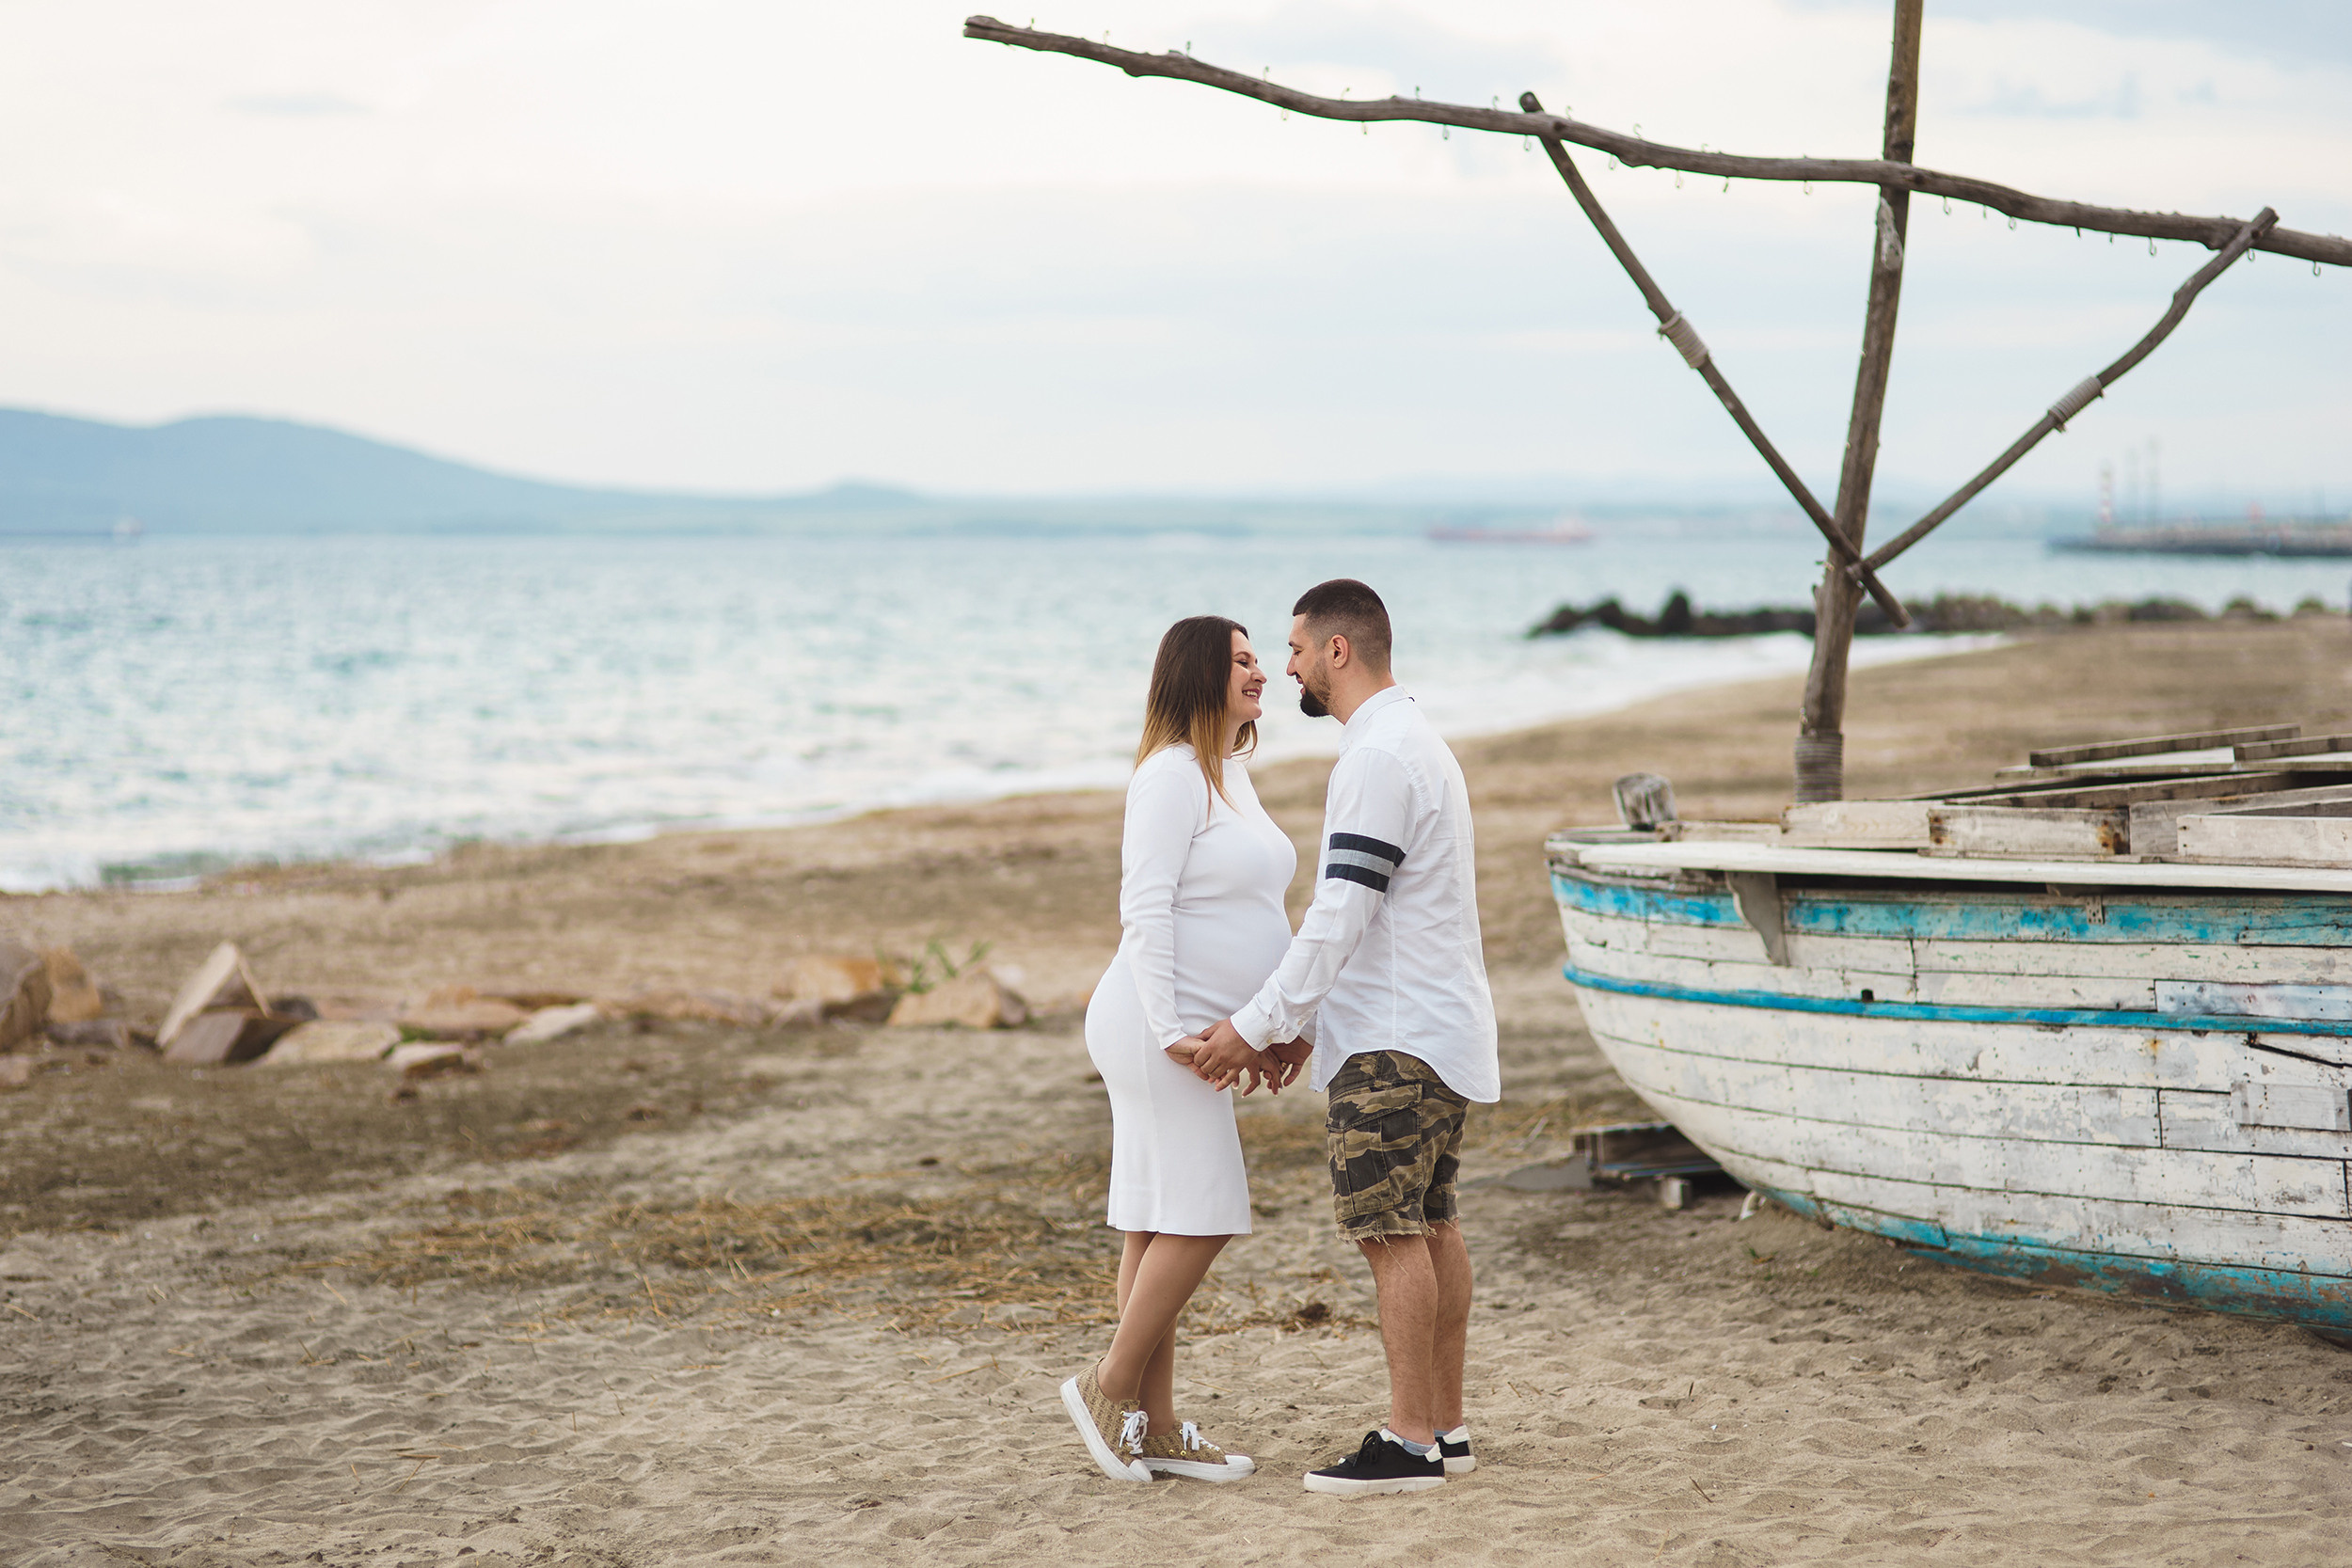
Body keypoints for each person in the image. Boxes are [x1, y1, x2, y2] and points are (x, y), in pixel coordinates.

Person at [1174, 578, 1500, 1497]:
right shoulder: (1415, 743)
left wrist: (1254, 1025)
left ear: (1338, 650)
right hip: (1433, 1030)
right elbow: (1373, 920)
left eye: (1294, 648)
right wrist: (1304, 1026)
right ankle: (1444, 1425)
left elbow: (1341, 914)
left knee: (1389, 1231)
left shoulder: (1378, 757)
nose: (1284, 666)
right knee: (1432, 1222)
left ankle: (1405, 1441)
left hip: (1396, 1043)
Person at [1060, 614, 1306, 1485]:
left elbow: (1244, 914)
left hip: (1200, 1024)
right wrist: (1170, 1029)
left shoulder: (1228, 773)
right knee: (1202, 1210)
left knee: (1157, 1213)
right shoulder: (1169, 776)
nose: (1263, 672)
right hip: (1155, 1025)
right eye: (1243, 660)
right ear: (1201, 675)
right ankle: (1109, 1384)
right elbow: (1148, 908)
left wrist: (1270, 1027)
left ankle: (1154, 1428)